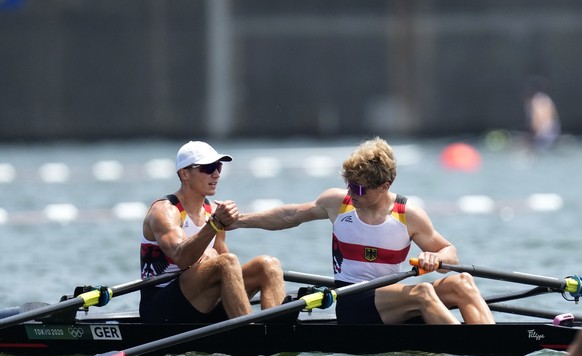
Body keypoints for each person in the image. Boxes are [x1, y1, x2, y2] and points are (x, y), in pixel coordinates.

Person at [229, 137, 495, 325]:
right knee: (423, 293)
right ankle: (469, 346)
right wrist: (238, 220)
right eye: (348, 184)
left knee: (462, 282)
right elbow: (290, 215)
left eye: (359, 189)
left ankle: (494, 346)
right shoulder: (338, 203)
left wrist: (437, 258)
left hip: (388, 300)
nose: (350, 193)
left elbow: (451, 254)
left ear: (385, 185)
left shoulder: (408, 215)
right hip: (353, 303)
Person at [139, 141, 286, 323]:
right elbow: (182, 257)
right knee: (225, 262)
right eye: (208, 168)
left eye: (218, 167)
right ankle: (251, 336)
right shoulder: (165, 211)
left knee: (268, 265)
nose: (216, 174)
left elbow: (228, 268)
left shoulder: (211, 211)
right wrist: (215, 224)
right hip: (161, 308)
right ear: (184, 173)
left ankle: (277, 330)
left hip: (200, 300)